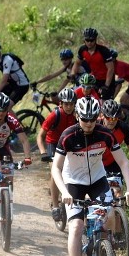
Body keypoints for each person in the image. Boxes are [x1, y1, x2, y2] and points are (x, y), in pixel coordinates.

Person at [51, 96, 129, 256]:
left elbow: (123, 162)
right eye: (84, 119)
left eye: (92, 119)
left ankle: (103, 248)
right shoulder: (68, 136)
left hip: (98, 180)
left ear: (97, 118)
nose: (88, 124)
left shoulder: (105, 134)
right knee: (77, 226)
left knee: (106, 218)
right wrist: (64, 192)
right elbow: (56, 167)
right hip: (73, 183)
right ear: (78, 117)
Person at [37, 88, 78, 221]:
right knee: (56, 173)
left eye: (71, 104)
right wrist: (43, 152)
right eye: (66, 104)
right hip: (53, 144)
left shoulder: (77, 115)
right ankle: (55, 206)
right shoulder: (54, 115)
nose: (69, 107)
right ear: (61, 103)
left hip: (68, 143)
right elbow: (40, 136)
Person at [100, 100, 129, 195]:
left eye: (115, 118)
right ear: (102, 115)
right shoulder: (95, 126)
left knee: (118, 191)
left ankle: (119, 208)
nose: (111, 121)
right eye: (108, 118)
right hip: (96, 163)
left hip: (113, 163)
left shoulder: (123, 128)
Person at [71, 28, 115, 100]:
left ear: (95, 40)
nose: (89, 43)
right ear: (84, 40)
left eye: (91, 40)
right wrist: (72, 74)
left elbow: (111, 69)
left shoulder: (103, 51)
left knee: (105, 105)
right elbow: (77, 63)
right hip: (95, 80)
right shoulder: (82, 50)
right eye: (87, 40)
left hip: (107, 80)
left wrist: (106, 86)